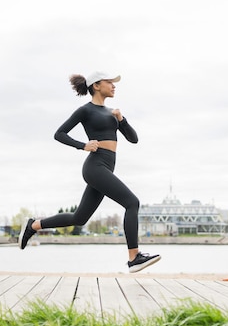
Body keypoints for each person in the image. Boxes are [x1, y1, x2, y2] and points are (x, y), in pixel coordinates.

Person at [19, 71, 161, 273]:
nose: (114, 85)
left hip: (106, 166)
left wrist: (122, 119)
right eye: (109, 82)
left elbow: (133, 139)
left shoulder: (112, 113)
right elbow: (59, 134)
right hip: (95, 166)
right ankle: (134, 257)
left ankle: (33, 225)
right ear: (96, 85)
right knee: (132, 202)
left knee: (79, 218)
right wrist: (82, 145)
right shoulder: (85, 110)